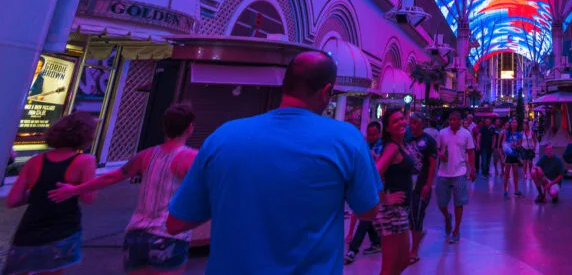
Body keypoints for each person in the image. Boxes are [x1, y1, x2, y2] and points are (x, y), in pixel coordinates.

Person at [166, 51, 382, 274]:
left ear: (284, 85)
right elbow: (368, 211)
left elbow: (176, 223)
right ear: (326, 92)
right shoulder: (347, 139)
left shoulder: (223, 137)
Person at [49, 104, 198, 274]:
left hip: (135, 234)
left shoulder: (146, 155)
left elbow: (112, 176)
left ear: (165, 127)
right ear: (190, 127)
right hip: (169, 236)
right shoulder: (193, 158)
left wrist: (74, 190)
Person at [4, 112, 97, 275]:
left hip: (28, 231)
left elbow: (12, 201)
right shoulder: (85, 161)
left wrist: (39, 193)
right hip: (62, 230)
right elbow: (88, 198)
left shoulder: (34, 161)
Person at [375, 108, 414, 275]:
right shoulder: (392, 147)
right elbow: (375, 173)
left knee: (404, 261)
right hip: (391, 212)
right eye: (395, 121)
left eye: (401, 119)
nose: (401, 122)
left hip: (400, 211)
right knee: (390, 268)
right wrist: (385, 199)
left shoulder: (400, 145)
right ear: (388, 129)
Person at [346, 121, 384, 264]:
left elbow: (381, 164)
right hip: (365, 185)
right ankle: (376, 241)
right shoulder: (364, 145)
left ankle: (353, 249)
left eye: (374, 134)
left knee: (366, 218)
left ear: (379, 134)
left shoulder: (383, 147)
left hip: (377, 186)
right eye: (369, 134)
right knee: (366, 215)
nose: (371, 136)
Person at [436, 111, 475, 244]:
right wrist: (440, 155)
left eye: (455, 119)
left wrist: (472, 169)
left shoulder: (466, 134)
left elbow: (470, 152)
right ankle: (447, 217)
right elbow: (437, 149)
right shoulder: (442, 133)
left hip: (460, 172)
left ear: (460, 120)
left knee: (459, 203)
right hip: (443, 172)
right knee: (441, 203)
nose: (452, 122)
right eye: (450, 119)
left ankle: (456, 230)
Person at [405, 112, 437, 264]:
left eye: (415, 122)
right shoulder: (408, 140)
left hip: (421, 184)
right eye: (410, 122)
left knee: (417, 216)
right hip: (408, 185)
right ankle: (415, 240)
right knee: (411, 216)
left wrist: (428, 184)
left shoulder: (429, 141)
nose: (411, 125)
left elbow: (432, 164)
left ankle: (414, 250)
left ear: (422, 124)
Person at [501, 118, 524, 199]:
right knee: (506, 174)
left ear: (517, 124)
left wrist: (515, 146)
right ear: (510, 124)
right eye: (512, 122)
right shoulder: (507, 133)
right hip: (508, 156)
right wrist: (506, 148)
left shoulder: (519, 134)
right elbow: (503, 143)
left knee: (515, 174)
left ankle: (516, 190)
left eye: (515, 122)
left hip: (515, 155)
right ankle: (505, 191)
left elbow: (520, 145)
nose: (514, 124)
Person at [521, 120, 538, 185]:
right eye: (523, 125)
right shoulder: (522, 133)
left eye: (525, 125)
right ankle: (525, 174)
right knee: (525, 161)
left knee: (530, 162)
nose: (524, 126)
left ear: (527, 126)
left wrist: (534, 147)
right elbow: (520, 140)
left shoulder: (532, 133)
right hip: (524, 149)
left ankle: (530, 172)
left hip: (530, 149)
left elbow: (535, 141)